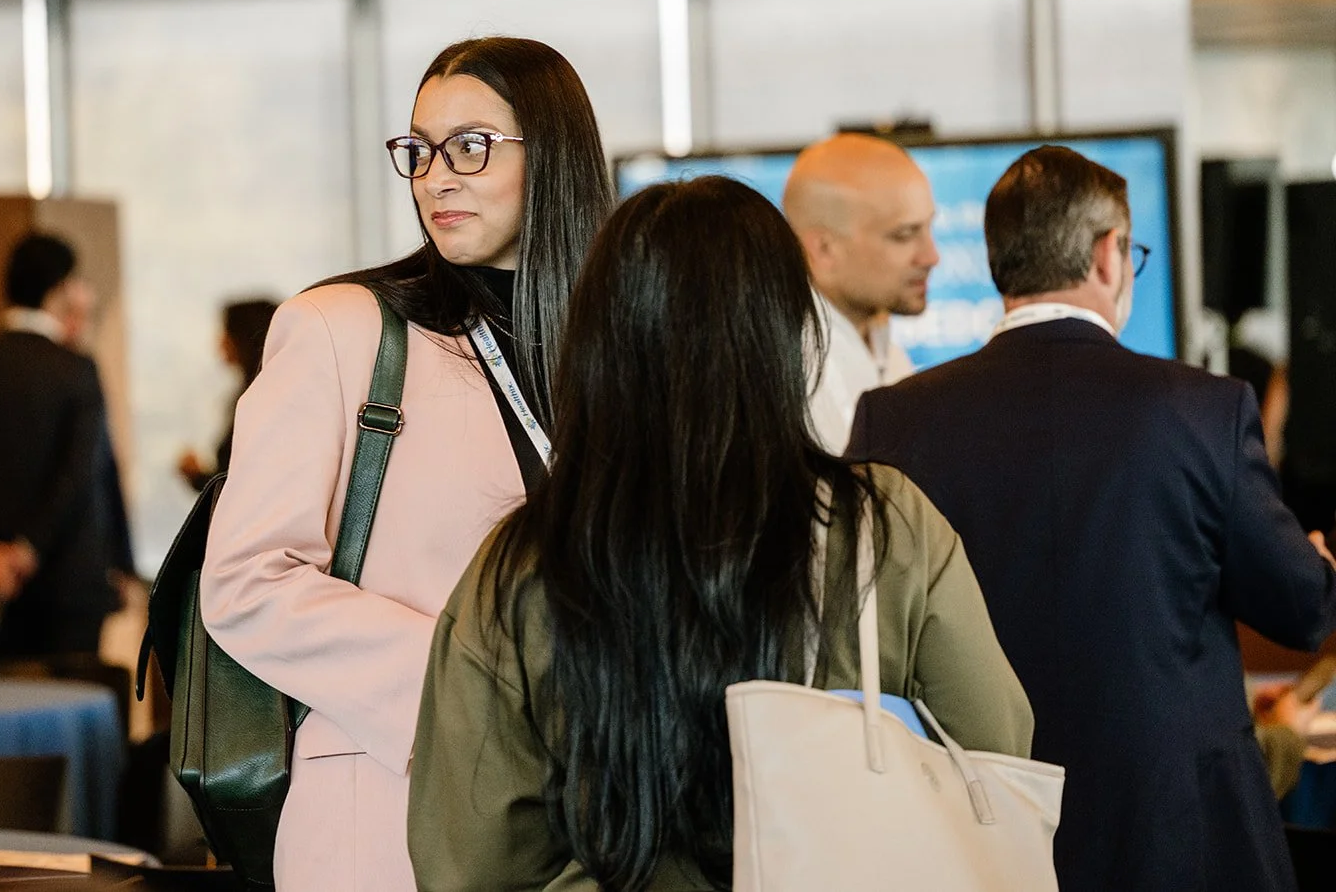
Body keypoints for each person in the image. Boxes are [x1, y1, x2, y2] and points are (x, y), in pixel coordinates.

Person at [409, 176, 1031, 891]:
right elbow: (995, 741)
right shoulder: (881, 524)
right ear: (788, 330)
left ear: (598, 337)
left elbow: (467, 855)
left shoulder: (523, 564)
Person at [846, 145, 1336, 892]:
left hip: (979, 839)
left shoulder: (894, 420)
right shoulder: (1203, 409)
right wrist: (1318, 561)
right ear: (1110, 255)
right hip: (1183, 841)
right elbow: (1301, 610)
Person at [199, 37, 614, 891]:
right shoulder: (343, 327)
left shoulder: (611, 350)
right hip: (393, 801)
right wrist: (476, 686)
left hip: (590, 812)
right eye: (420, 150)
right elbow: (245, 579)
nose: (437, 176)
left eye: (471, 147)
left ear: (559, 156)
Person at [0, 231, 135, 668]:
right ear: (60, 289)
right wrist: (29, 549)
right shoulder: (75, 369)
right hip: (71, 580)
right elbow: (81, 473)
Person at [782, 133, 941, 453]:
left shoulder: (890, 355)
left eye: (928, 228)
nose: (930, 256)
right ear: (824, 249)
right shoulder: (789, 379)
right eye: (904, 235)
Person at [177, 298, 279, 491]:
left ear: (244, 337)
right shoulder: (259, 392)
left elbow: (245, 484)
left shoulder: (262, 399)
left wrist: (199, 477)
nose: (220, 341)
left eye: (226, 331)